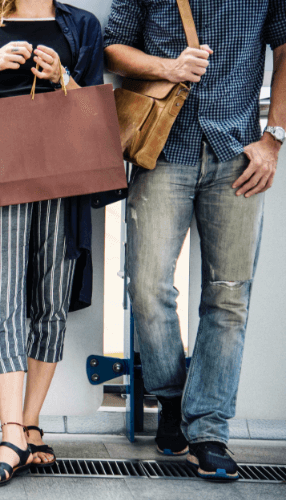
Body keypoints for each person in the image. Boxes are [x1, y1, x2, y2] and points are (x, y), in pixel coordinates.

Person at [104, 0, 285, 482]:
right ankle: (170, 398)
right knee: (146, 288)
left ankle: (207, 430)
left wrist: (275, 137)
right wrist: (168, 66)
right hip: (162, 149)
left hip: (240, 153)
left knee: (228, 297)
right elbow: (111, 46)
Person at [0, 0, 104, 487]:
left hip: (64, 170)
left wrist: (62, 77)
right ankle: (11, 432)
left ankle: (31, 422)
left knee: (52, 298)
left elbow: (95, 106)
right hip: (0, 168)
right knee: (4, 297)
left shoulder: (80, 26)